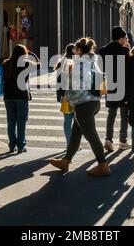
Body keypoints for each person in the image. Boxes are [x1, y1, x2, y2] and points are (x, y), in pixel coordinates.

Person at [50, 37, 110, 177]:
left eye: (75, 49)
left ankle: (103, 165)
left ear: (80, 50)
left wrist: (68, 97)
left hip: (84, 104)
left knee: (91, 135)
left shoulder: (80, 65)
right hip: (93, 102)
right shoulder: (92, 62)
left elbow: (77, 87)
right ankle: (66, 161)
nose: (74, 51)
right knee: (76, 133)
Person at [98, 26, 130, 152]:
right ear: (121, 38)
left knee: (111, 114)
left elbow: (101, 70)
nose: (126, 40)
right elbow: (129, 70)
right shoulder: (125, 51)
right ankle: (122, 141)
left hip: (110, 85)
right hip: (123, 85)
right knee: (124, 115)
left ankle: (108, 140)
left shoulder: (102, 51)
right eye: (125, 38)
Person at [2, 44, 39, 154]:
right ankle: (21, 146)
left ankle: (12, 145)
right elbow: (39, 65)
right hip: (21, 95)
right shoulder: (27, 64)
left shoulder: (6, 63)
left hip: (8, 95)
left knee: (11, 121)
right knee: (21, 122)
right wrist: (31, 53)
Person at [54, 43, 75, 147]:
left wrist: (61, 95)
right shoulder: (73, 61)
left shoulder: (62, 61)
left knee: (67, 120)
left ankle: (69, 143)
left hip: (65, 95)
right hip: (73, 95)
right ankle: (73, 144)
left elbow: (59, 79)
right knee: (75, 120)